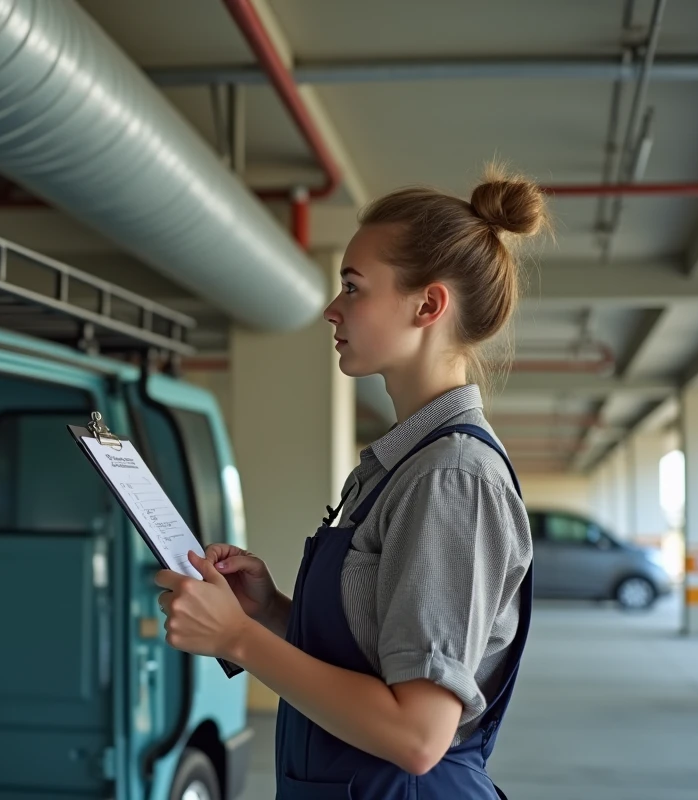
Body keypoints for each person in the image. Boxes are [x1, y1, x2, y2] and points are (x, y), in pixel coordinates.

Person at [155, 163, 543, 799]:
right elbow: (368, 659)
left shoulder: (451, 478)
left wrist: (238, 638)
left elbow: (418, 736)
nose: (332, 310)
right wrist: (271, 611)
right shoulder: (401, 465)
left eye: (353, 287)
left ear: (429, 304)